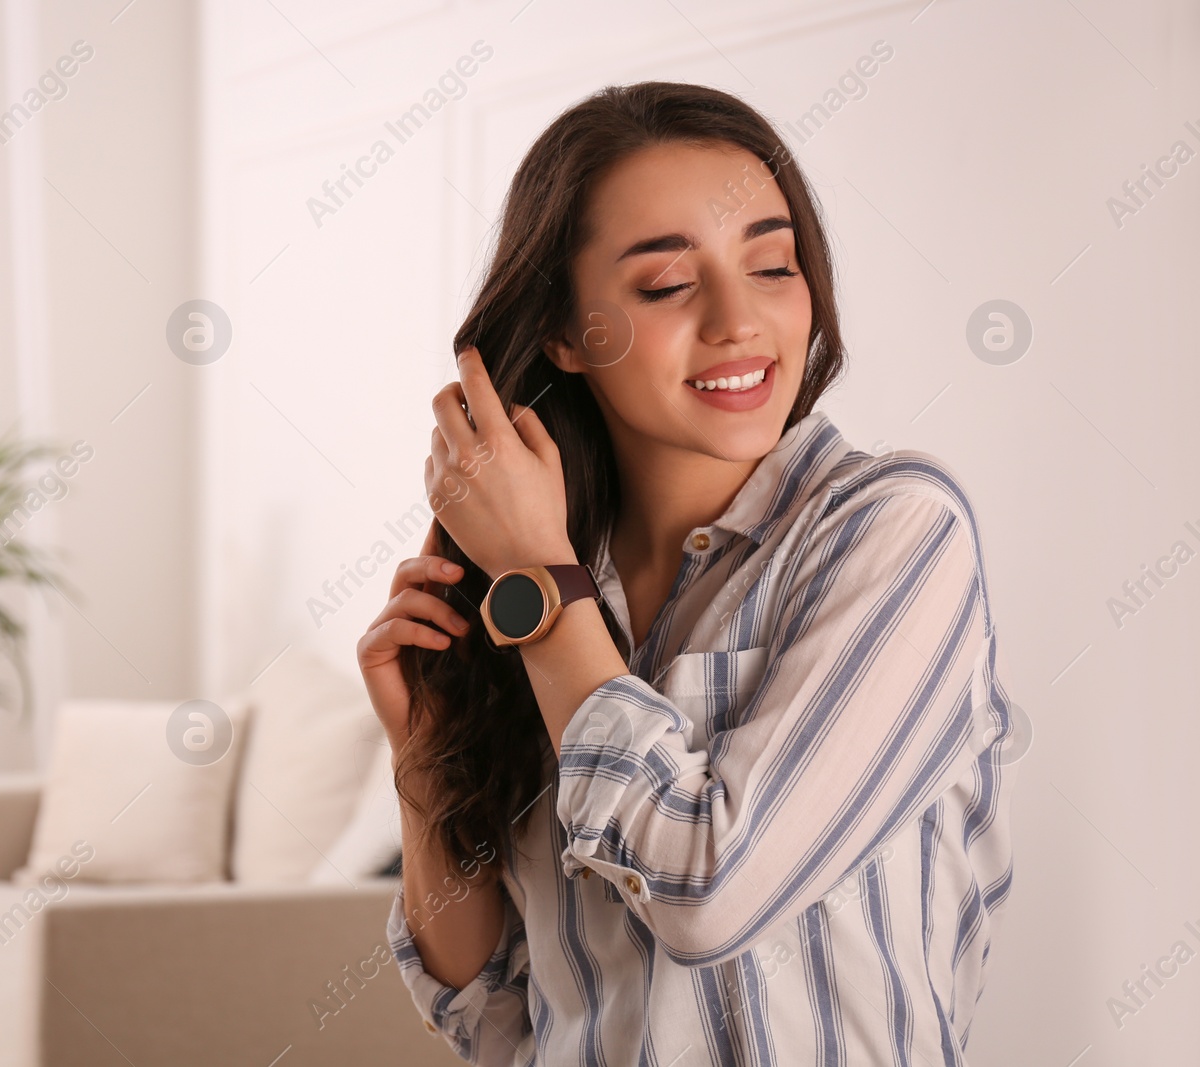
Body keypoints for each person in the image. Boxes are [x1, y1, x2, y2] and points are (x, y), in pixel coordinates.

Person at [355, 82, 1017, 1066]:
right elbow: (496, 1016)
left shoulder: (895, 530)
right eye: (668, 285)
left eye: (772, 265)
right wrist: (422, 770)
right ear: (565, 334)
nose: (739, 319)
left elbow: (710, 892)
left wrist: (538, 589)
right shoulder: (546, 583)